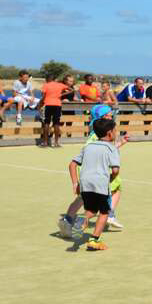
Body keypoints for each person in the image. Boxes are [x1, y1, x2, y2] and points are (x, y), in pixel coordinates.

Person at [58, 104, 127, 238]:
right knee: (103, 205)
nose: (110, 116)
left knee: (85, 200)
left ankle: (69, 221)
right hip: (99, 173)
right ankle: (100, 226)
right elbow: (111, 162)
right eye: (107, 115)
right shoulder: (96, 137)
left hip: (87, 174)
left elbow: (78, 160)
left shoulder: (95, 134)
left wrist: (120, 144)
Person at [68, 117, 121, 252]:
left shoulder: (88, 147)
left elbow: (72, 164)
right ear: (110, 133)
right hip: (100, 184)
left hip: (85, 184)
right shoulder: (111, 149)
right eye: (115, 131)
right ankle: (94, 240)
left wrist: (75, 183)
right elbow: (115, 170)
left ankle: (82, 219)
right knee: (104, 212)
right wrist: (109, 179)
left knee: (91, 210)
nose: (116, 133)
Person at [39, 73, 71, 148]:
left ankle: (45, 142)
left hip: (48, 104)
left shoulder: (46, 85)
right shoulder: (60, 85)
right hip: (57, 105)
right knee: (56, 123)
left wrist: (40, 103)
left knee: (46, 123)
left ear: (48, 79)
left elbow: (43, 95)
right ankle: (56, 143)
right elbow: (71, 90)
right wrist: (61, 94)